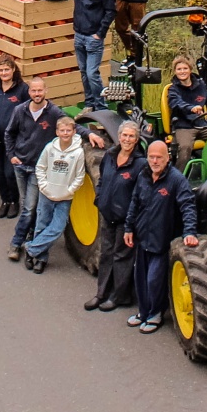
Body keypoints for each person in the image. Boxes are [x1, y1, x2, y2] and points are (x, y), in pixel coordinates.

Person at [5, 78, 105, 259]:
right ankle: (25, 239)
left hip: (38, 168)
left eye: (40, 91)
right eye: (34, 91)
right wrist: (11, 155)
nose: (37, 94)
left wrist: (89, 133)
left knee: (29, 208)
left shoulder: (53, 112)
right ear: (29, 92)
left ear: (46, 91)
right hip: (20, 165)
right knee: (27, 206)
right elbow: (9, 133)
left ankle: (19, 244)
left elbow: (71, 126)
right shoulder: (20, 111)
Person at [124, 139, 199, 333]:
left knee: (154, 279)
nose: (155, 161)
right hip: (142, 237)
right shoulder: (143, 175)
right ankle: (143, 312)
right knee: (140, 278)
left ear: (168, 158)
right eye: (151, 157)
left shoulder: (176, 179)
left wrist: (189, 231)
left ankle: (155, 314)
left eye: (159, 157)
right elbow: (134, 203)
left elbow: (188, 206)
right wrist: (128, 228)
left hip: (162, 240)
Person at [43, 0, 117, 105]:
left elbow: (111, 11)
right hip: (79, 34)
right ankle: (90, 104)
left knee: (92, 73)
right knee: (83, 72)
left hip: (93, 36)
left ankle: (101, 107)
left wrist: (100, 33)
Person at [87, 121, 143, 311]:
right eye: (124, 136)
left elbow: (139, 195)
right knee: (106, 254)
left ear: (136, 140)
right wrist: (100, 198)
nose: (127, 139)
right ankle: (101, 293)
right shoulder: (110, 156)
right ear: (119, 137)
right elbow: (102, 179)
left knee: (122, 257)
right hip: (108, 213)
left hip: (126, 220)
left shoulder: (139, 164)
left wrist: (131, 222)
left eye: (131, 136)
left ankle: (119, 296)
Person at [22, 115, 87, 272]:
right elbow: (40, 168)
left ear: (73, 131)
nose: (65, 133)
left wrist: (69, 190)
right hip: (47, 194)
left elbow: (80, 176)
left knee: (57, 228)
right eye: (62, 130)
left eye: (68, 130)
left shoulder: (78, 153)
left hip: (65, 197)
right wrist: (44, 186)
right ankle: (40, 258)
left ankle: (30, 249)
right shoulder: (50, 148)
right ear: (57, 132)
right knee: (41, 226)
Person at [0, 56, 27, 218]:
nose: (4, 73)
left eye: (7, 69)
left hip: (14, 139)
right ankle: (5, 201)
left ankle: (14, 201)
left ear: (13, 70)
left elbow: (28, 113)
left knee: (10, 172)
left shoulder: (22, 89)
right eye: (1, 70)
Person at [164, 53, 207, 164]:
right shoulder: (173, 89)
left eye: (185, 68)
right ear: (175, 71)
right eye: (179, 69)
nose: (182, 71)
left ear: (190, 69)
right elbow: (176, 103)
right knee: (185, 147)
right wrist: (191, 108)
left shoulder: (201, 86)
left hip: (201, 125)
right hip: (183, 126)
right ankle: (178, 176)